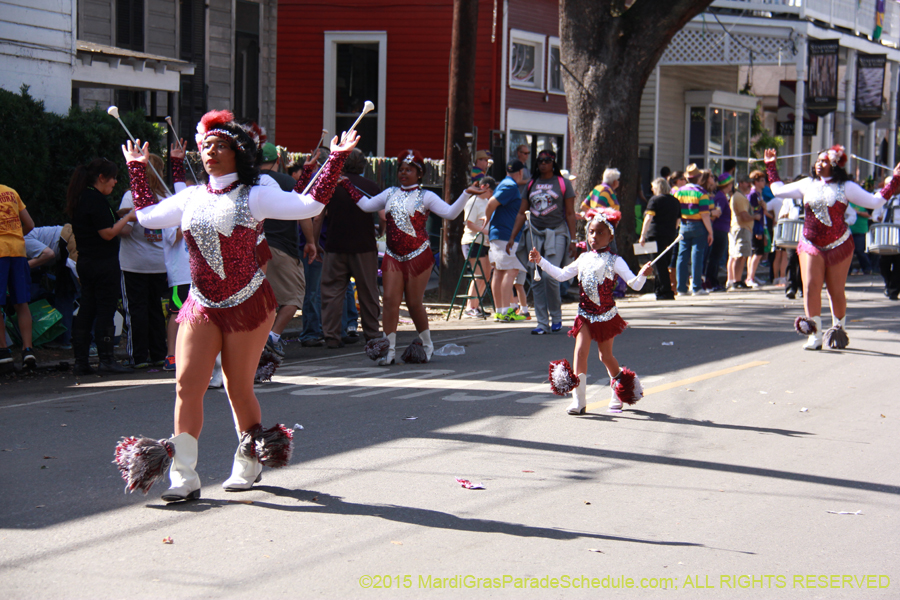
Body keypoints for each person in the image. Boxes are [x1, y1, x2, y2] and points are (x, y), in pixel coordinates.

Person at [114, 110, 359, 502]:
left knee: (237, 386)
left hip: (248, 302)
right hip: (202, 303)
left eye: (220, 146)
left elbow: (309, 205)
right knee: (186, 384)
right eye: (206, 146)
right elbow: (146, 217)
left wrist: (336, 158)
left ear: (238, 151)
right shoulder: (191, 196)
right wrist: (138, 169)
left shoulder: (256, 192)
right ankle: (184, 474)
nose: (210, 153)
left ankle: (249, 461)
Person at [764, 146, 897, 350]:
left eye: (825, 160)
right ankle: (815, 334)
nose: (819, 163)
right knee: (810, 287)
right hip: (810, 243)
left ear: (835, 164)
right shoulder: (807, 184)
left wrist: (895, 178)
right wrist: (770, 165)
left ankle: (838, 329)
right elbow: (778, 190)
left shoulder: (847, 187)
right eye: (818, 160)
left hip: (839, 244)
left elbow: (875, 201)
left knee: (835, 291)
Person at [352, 149, 474, 365]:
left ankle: (427, 345)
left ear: (419, 174)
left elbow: (450, 213)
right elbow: (365, 206)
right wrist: (346, 185)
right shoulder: (389, 193)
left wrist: (466, 193)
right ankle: (389, 351)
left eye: (409, 170)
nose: (403, 173)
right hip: (393, 255)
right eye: (401, 169)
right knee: (389, 300)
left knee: (413, 302)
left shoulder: (426, 196)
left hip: (418, 255)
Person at [529, 208, 650, 415]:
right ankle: (579, 400)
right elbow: (560, 275)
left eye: (600, 232)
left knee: (605, 357)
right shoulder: (583, 258)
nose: (594, 236)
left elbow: (635, 285)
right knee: (580, 351)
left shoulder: (615, 260)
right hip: (584, 314)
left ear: (610, 236)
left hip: (606, 316)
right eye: (592, 232)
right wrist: (540, 261)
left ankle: (618, 387)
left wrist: (643, 274)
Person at [66, 159, 134, 376]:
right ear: (101, 178)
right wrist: (130, 217)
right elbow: (107, 233)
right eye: (113, 177)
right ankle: (106, 359)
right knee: (105, 309)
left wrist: (119, 214)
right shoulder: (96, 200)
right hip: (103, 262)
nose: (115, 182)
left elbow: (101, 223)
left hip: (85, 261)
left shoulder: (81, 198)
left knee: (87, 307)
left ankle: (81, 361)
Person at [316, 148, 383, 348]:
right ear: (362, 165)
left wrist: (314, 240)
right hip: (364, 245)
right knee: (368, 290)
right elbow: (382, 215)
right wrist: (381, 231)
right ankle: (371, 333)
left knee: (332, 291)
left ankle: (331, 335)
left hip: (335, 244)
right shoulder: (370, 186)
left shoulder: (331, 186)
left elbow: (318, 215)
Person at [507, 149, 577, 335]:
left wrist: (574, 239)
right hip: (534, 233)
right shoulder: (531, 183)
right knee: (537, 277)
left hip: (557, 233)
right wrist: (513, 237)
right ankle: (542, 323)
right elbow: (522, 212)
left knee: (550, 275)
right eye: (540, 161)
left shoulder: (563, 183)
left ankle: (557, 316)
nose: (543, 164)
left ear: (553, 162)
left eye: (547, 160)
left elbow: (570, 213)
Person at [118, 154, 169, 368]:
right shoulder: (167, 196)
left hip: (135, 263)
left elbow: (126, 231)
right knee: (157, 310)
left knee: (136, 310)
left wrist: (121, 218)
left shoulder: (132, 196)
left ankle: (138, 356)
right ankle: (159, 353)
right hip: (161, 262)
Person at [258, 142, 307, 357]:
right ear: (278, 161)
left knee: (262, 300)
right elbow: (304, 212)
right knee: (294, 297)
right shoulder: (288, 182)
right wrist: (312, 242)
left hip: (252, 248)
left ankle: (259, 340)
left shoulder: (246, 182)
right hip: (282, 248)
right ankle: (272, 337)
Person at [484, 159, 528, 323]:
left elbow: (494, 204)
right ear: (520, 172)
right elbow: (491, 203)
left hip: (499, 234)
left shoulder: (504, 183)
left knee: (500, 272)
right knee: (511, 271)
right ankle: (503, 311)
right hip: (506, 235)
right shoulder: (510, 186)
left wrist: (489, 220)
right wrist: (487, 219)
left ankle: (501, 311)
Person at [0, 184, 36, 372]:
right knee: (21, 302)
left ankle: (4, 352)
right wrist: (14, 236)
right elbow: (29, 223)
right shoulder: (11, 192)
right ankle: (28, 349)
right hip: (18, 251)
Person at [674, 164, 713, 295]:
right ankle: (696, 286)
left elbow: (676, 212)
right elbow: (705, 214)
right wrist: (710, 231)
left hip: (684, 225)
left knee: (682, 256)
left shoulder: (678, 192)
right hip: (699, 225)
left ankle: (681, 288)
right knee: (697, 256)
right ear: (699, 178)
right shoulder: (702, 193)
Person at [639, 177, 680, 300]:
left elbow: (648, 218)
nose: (652, 189)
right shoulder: (675, 201)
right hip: (670, 235)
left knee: (658, 263)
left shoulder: (655, 200)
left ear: (657, 187)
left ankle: (666, 290)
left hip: (655, 235)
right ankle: (659, 290)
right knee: (663, 262)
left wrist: (643, 235)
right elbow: (678, 221)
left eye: (653, 187)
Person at [460, 176, 494, 318]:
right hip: (472, 241)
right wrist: (486, 231)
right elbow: (469, 223)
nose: (491, 194)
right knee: (478, 274)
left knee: (486, 274)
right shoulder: (472, 202)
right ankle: (470, 307)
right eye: (490, 191)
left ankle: (477, 304)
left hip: (485, 243)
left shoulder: (486, 202)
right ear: (484, 187)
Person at [727, 174, 754, 290]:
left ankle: (737, 280)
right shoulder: (739, 197)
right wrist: (756, 217)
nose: (750, 185)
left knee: (742, 255)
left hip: (742, 228)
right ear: (741, 183)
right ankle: (736, 281)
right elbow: (744, 216)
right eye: (748, 183)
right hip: (741, 228)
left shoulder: (740, 196)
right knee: (740, 255)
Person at [705, 172, 731, 291]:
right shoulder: (720, 196)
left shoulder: (722, 195)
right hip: (719, 229)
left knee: (717, 256)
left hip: (722, 229)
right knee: (715, 256)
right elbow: (717, 213)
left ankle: (713, 280)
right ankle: (711, 281)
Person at [873, 184, 900, 299]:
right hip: (885, 233)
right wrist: (878, 218)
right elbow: (874, 215)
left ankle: (893, 290)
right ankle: (889, 284)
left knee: (898, 263)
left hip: (899, 233)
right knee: (883, 262)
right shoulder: (883, 199)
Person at [745, 170, 768, 287]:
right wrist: (762, 206)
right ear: (756, 181)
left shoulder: (759, 194)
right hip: (755, 225)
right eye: (762, 180)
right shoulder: (753, 194)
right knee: (758, 253)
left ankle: (751, 276)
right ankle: (750, 277)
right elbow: (751, 209)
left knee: (754, 253)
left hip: (760, 224)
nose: (764, 182)